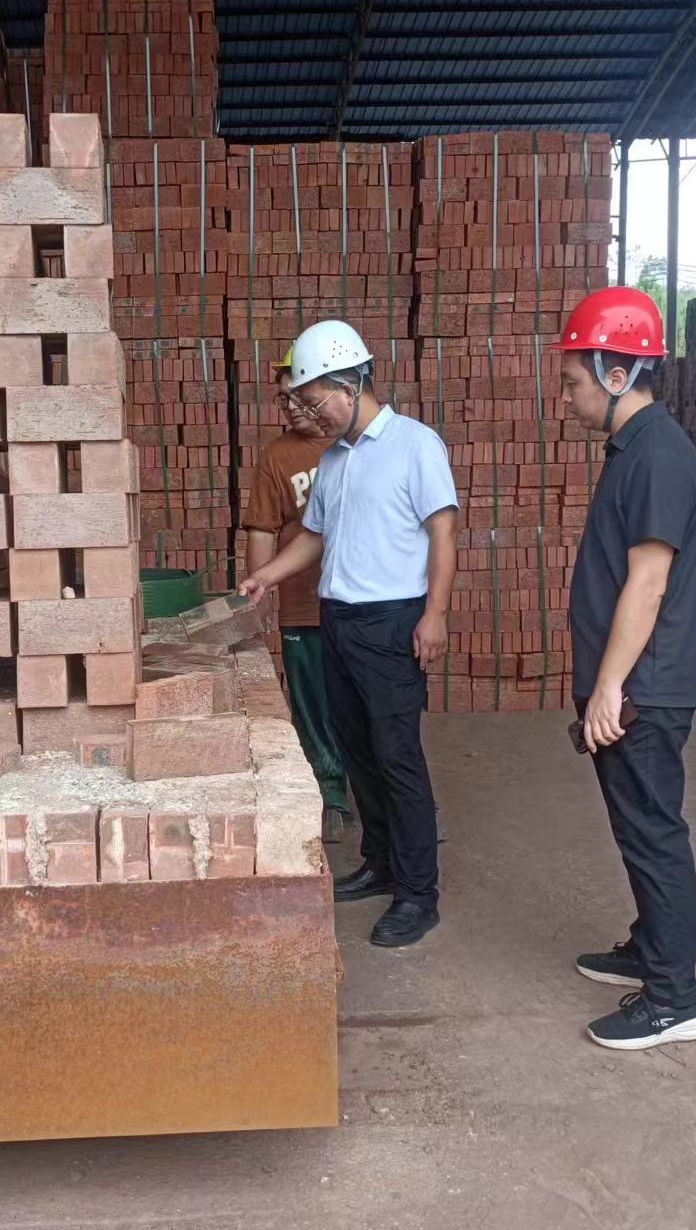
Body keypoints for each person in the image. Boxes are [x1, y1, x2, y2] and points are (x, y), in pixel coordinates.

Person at [238, 320, 458, 947]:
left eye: (315, 402)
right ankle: (380, 863)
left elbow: (443, 532)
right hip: (338, 621)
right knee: (359, 751)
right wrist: (267, 576)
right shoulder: (334, 460)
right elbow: (314, 535)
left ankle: (418, 893)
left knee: (397, 756)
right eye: (304, 405)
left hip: (392, 622)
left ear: (351, 383)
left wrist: (435, 614)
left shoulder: (415, 445)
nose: (311, 415)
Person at [555, 286, 696, 1051]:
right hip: (628, 683)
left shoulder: (657, 456)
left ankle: (673, 1000)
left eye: (573, 382)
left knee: (652, 834)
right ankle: (649, 949)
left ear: (617, 375)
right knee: (635, 827)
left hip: (643, 687)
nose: (567, 397)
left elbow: (647, 583)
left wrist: (609, 688)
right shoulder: (633, 450)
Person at [242, 345, 353, 843]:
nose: (291, 408)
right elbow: (262, 529)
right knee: (312, 705)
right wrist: (260, 589)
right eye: (283, 399)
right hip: (303, 605)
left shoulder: (355, 447)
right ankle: (329, 793)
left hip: (359, 605)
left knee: (362, 704)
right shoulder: (278, 455)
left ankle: (383, 795)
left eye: (300, 397)